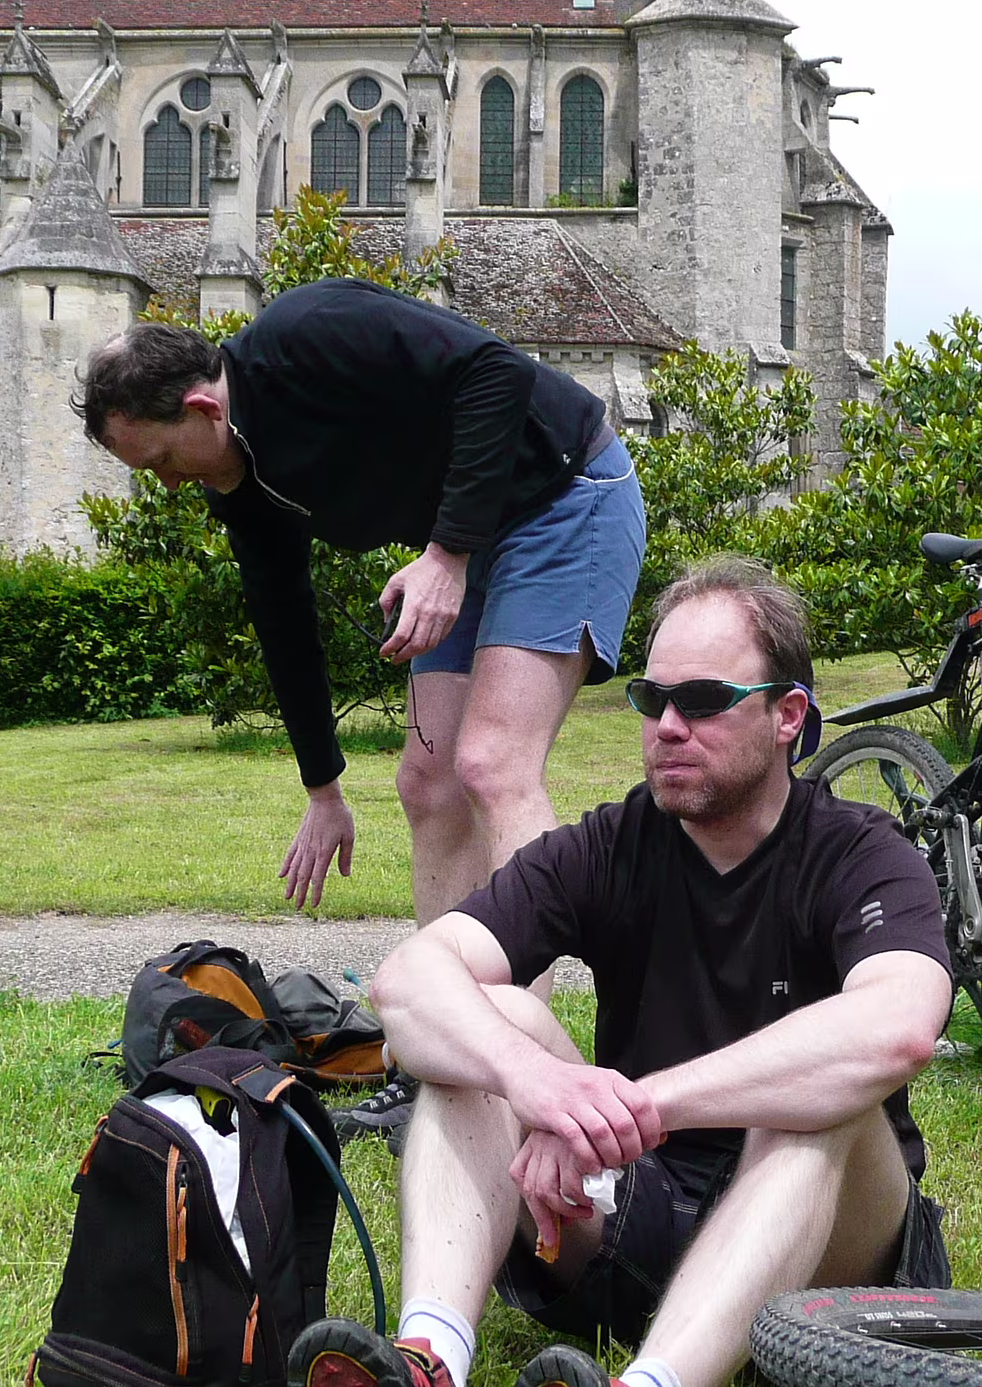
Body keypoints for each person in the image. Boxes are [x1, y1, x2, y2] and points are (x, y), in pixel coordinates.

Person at [285, 555, 955, 1387]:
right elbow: (409, 983)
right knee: (487, 1022)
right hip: (638, 1218)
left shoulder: (859, 854)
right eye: (651, 698)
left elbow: (897, 1029)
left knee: (811, 1101)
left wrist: (640, 1106)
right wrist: (532, 1080)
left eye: (702, 700)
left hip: (830, 1265)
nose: (668, 726)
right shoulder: (610, 845)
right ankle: (429, 1359)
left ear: (787, 715)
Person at [76, 278, 646, 1137]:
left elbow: (495, 371)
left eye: (159, 461)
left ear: (201, 408)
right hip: (470, 537)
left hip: (563, 496)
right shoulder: (242, 485)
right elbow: (283, 621)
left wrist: (445, 555)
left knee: (494, 765)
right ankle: (445, 1061)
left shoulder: (311, 332)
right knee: (428, 784)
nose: (165, 484)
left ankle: (524, 1064)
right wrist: (323, 789)